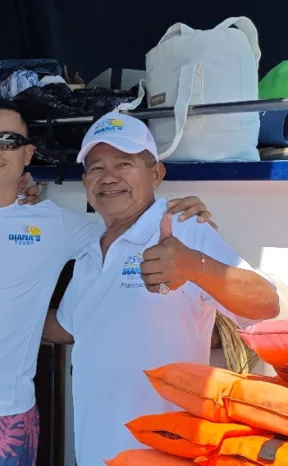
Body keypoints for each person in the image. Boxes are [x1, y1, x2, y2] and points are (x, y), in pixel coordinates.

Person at [0, 99, 213, 465]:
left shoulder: (57, 223)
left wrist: (180, 215)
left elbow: (129, 228)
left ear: (27, 154)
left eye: (8, 141)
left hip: (10, 417)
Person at [41, 112, 279, 465]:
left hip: (162, 453)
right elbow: (69, 327)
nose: (109, 177)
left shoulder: (184, 228)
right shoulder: (90, 251)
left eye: (124, 163)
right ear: (86, 181)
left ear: (155, 174)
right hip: (94, 451)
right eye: (96, 168)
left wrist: (195, 266)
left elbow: (266, 304)